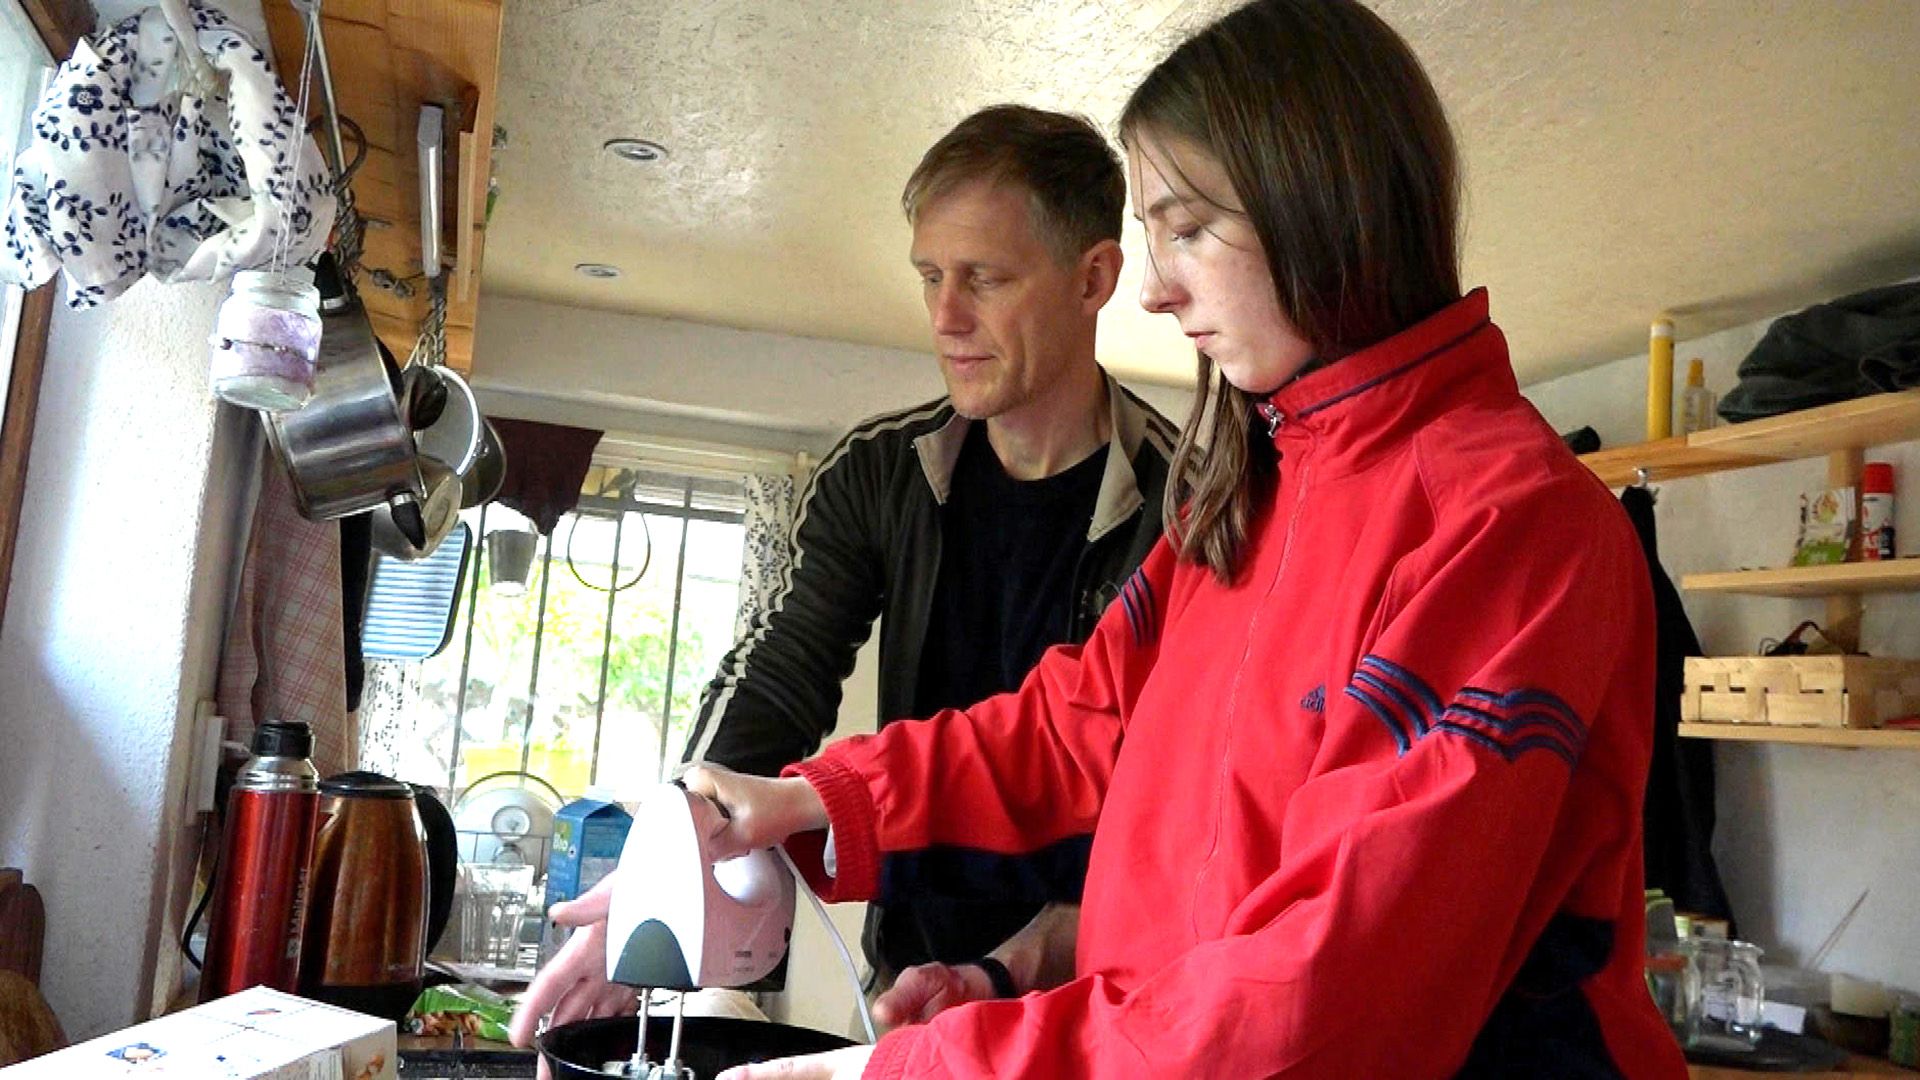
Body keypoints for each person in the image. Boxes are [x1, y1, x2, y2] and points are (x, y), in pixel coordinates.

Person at [678, 0, 1692, 1076]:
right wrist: (808, 799)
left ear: (1327, 205)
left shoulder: (1509, 526)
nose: (1158, 290)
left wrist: (911, 1068)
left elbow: (1325, 999)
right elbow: (1077, 728)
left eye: (1190, 228)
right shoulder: (1248, 496)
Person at [505, 105, 1176, 1048]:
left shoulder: (1188, 508)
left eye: (984, 277)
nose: (944, 317)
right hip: (915, 979)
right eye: (931, 276)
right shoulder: (877, 472)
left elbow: (1154, 783)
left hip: (1105, 985)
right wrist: (677, 855)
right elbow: (782, 673)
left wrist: (1035, 954)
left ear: (1094, 277)